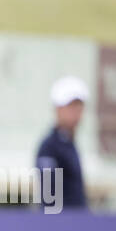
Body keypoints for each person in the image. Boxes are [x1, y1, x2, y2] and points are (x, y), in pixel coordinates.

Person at [35, 76, 90, 211]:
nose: (76, 113)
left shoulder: (69, 144)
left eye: (79, 107)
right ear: (58, 109)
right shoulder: (49, 147)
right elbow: (50, 198)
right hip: (59, 227)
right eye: (70, 107)